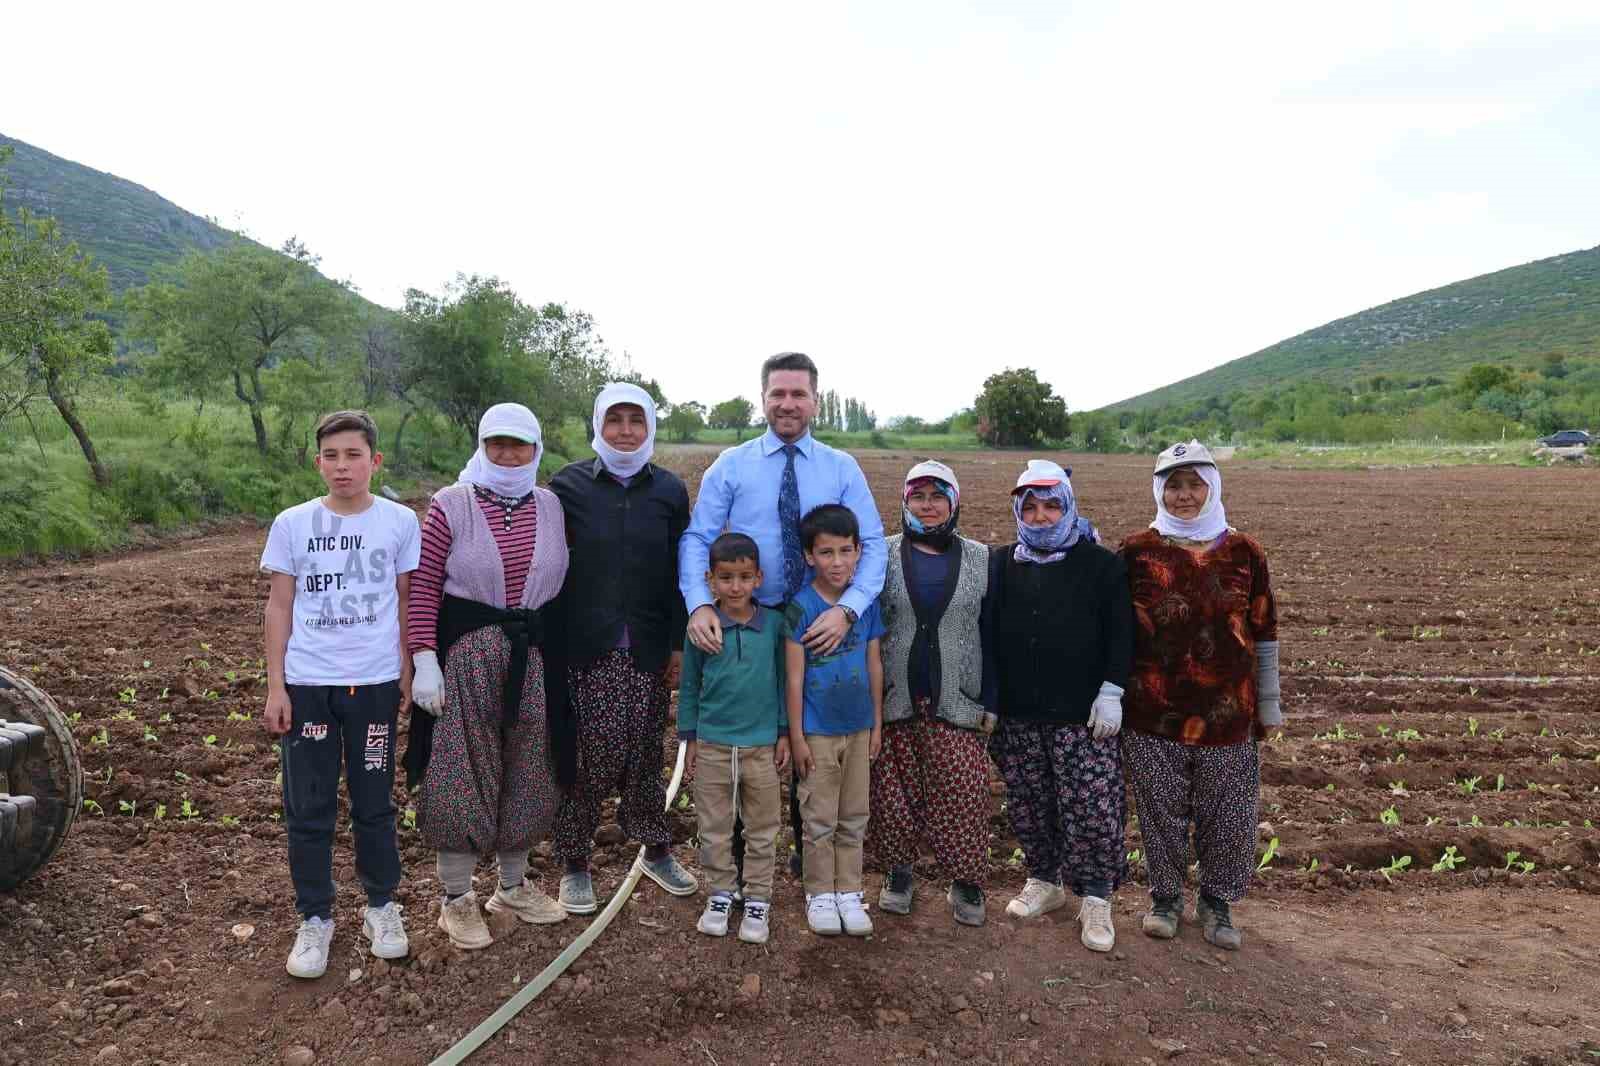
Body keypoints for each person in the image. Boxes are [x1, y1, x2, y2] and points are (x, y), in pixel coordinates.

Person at [679, 351, 886, 880]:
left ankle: (811, 862)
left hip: (822, 628)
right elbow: (700, 536)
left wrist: (846, 610)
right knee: (759, 740)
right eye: (778, 393)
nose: (788, 403)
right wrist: (701, 604)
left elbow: (874, 544)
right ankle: (750, 865)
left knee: (814, 741)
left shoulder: (841, 468)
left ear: (815, 400)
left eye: (798, 394)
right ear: (763, 399)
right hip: (756, 621)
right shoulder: (732, 465)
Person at [403, 403, 573, 950]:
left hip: (530, 656)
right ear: (481, 444)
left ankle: (512, 886)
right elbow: (425, 585)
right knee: (461, 768)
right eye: (496, 442)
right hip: (469, 657)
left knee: (526, 766)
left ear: (535, 449)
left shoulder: (550, 506)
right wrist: (423, 657)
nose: (507, 453)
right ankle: (456, 898)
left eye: (518, 444)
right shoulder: (451, 504)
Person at [261, 410, 420, 979]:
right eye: (331, 456)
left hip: (373, 685)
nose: (342, 466)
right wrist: (277, 685)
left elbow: (406, 601)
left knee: (375, 802)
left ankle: (382, 906)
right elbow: (279, 607)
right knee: (309, 806)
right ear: (317, 463)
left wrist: (405, 671)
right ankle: (315, 918)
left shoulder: (400, 523)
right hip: (308, 685)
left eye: (354, 455)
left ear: (375, 461)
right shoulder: (292, 524)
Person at [1119, 441, 1280, 952]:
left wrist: (1270, 704)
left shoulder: (1244, 551)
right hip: (1151, 710)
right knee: (1159, 810)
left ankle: (1217, 902)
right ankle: (1164, 897)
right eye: (1173, 484)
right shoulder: (1135, 551)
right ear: (1158, 490)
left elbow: (1265, 629)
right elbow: (1114, 630)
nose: (1183, 495)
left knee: (1228, 810)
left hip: (1228, 712)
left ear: (1212, 487)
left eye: (1193, 484)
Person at [549, 383, 697, 914]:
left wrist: (678, 643)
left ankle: (655, 848)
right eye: (616, 420)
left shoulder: (670, 491)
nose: (627, 431)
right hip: (583, 645)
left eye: (637, 420)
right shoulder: (566, 486)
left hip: (648, 645)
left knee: (644, 752)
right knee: (586, 754)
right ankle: (574, 860)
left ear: (650, 427)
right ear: (598, 425)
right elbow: (548, 565)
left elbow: (684, 571)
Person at [988, 460, 1134, 954]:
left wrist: (1112, 691)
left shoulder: (1101, 565)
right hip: (1020, 712)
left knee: (1091, 808)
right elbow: (988, 635)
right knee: (1030, 802)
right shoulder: (1003, 563)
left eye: (1052, 505)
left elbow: (1121, 634)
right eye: (1030, 506)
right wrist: (992, 700)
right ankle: (1044, 880)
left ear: (1069, 506)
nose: (1042, 515)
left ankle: (1096, 895)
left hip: (1081, 715)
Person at [869, 460, 997, 927]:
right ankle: (898, 876)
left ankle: (966, 883)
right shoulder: (879, 555)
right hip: (895, 697)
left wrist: (992, 701)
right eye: (917, 497)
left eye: (936, 496)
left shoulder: (983, 558)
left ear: (953, 503)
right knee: (892, 795)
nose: (927, 505)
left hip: (957, 698)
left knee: (962, 791)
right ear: (905, 502)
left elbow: (992, 633)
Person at [678, 533, 789, 944]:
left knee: (761, 826)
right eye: (726, 578)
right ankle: (721, 893)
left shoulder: (775, 625)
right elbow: (689, 687)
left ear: (759, 578)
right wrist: (688, 739)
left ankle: (758, 898)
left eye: (745, 577)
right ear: (711, 580)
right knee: (714, 825)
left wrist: (782, 734)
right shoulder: (701, 628)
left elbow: (782, 683)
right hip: (713, 744)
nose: (736, 587)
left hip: (761, 745)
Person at [785, 504, 885, 936]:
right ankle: (819, 894)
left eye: (846, 551)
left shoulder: (864, 606)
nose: (838, 562)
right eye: (826, 553)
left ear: (859, 551)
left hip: (859, 727)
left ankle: (849, 891)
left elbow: (875, 665)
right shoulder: (799, 608)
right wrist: (797, 737)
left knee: (854, 815)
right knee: (819, 817)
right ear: (809, 556)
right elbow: (792, 678)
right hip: (818, 732)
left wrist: (877, 723)